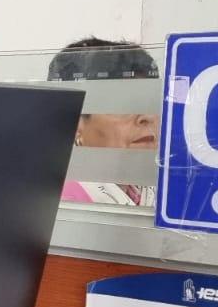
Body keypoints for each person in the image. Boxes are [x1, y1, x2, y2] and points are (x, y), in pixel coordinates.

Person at [47, 38, 160, 207]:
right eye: (125, 104)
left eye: (150, 101)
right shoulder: (61, 203)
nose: (147, 117)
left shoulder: (156, 188)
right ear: (75, 122)